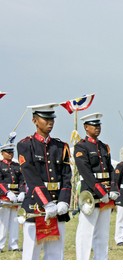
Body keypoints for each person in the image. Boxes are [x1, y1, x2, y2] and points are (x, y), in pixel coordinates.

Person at [17, 103, 72, 260]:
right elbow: (31, 177)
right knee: (31, 255)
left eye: (52, 119)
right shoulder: (26, 145)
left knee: (56, 255)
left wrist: (64, 202)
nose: (50, 122)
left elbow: (67, 176)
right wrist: (47, 203)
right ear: (34, 120)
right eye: (45, 119)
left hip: (58, 207)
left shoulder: (61, 147)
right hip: (36, 206)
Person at [74, 112, 118, 260]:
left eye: (99, 125)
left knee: (103, 232)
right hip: (91, 195)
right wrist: (100, 192)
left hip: (106, 194)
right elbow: (86, 172)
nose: (97, 128)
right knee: (86, 232)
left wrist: (113, 188)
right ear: (86, 127)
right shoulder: (81, 147)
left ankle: (101, 260)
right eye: (94, 125)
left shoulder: (104, 147)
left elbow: (110, 169)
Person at [0, 143, 26, 252]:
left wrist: (22, 192)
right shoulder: (0, 166)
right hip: (5, 198)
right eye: (8, 152)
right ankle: (1, 245)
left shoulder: (16, 166)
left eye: (12, 152)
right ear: (2, 153)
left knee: (15, 222)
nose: (10, 154)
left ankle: (13, 245)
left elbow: (22, 181)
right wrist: (7, 193)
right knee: (3, 223)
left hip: (16, 198)